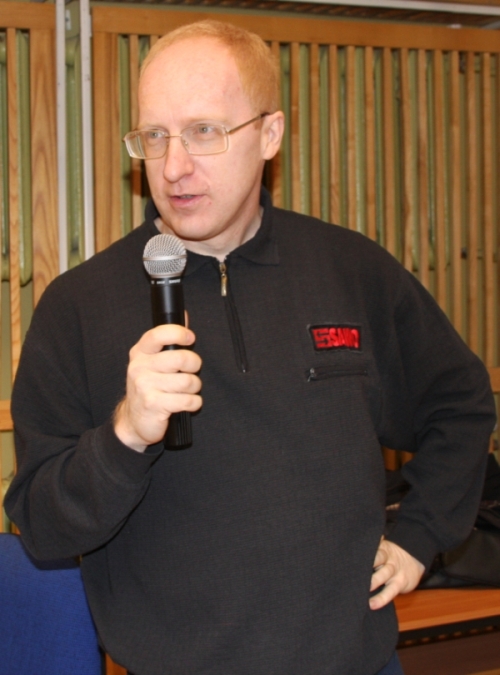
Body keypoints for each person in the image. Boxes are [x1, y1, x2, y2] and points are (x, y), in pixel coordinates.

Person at [5, 20, 496, 675]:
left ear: (270, 134)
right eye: (155, 136)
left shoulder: (349, 269)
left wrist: (419, 535)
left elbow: (460, 403)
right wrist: (125, 436)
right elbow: (42, 525)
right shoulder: (77, 306)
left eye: (204, 131)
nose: (173, 166)